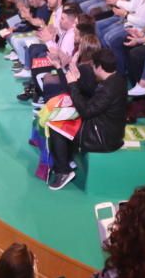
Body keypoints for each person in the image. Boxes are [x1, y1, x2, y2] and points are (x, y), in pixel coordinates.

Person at [49, 49, 126, 190]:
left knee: (56, 126)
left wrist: (73, 85)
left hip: (101, 139)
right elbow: (91, 99)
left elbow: (86, 111)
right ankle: (66, 160)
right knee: (64, 118)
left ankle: (63, 171)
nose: (91, 68)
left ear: (100, 67)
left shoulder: (108, 88)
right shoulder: (117, 80)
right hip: (110, 132)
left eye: (93, 66)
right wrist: (72, 79)